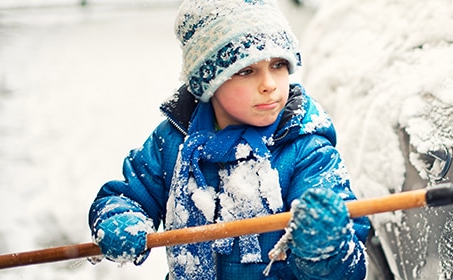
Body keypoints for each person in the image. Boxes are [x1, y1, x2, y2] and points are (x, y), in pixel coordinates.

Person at [87, 0, 370, 279]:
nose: (269, 84)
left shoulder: (306, 150)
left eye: (279, 65)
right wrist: (121, 220)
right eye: (246, 70)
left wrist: (326, 250)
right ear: (208, 81)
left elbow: (348, 269)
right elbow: (127, 196)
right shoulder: (174, 143)